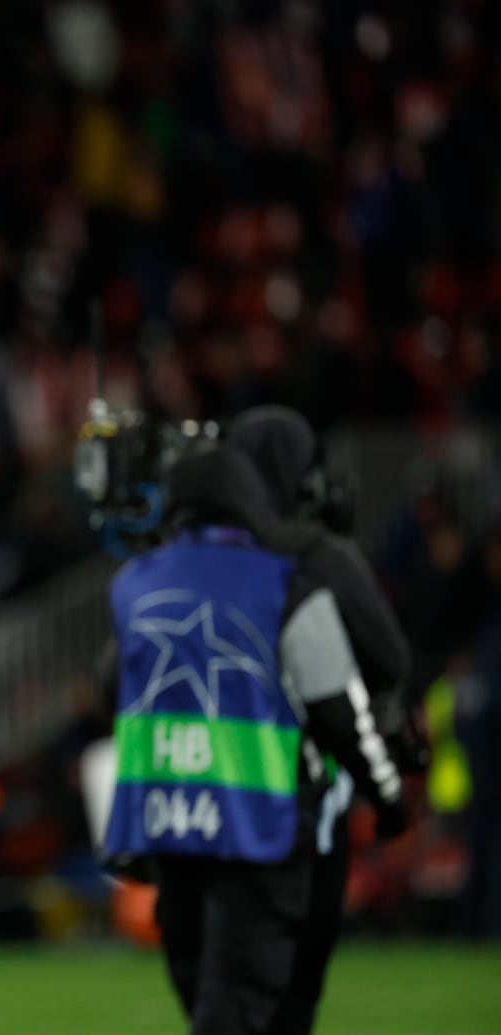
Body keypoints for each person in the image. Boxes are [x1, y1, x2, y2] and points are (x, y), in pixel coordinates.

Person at [102, 447, 407, 1035]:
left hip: (168, 822)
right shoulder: (288, 584)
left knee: (201, 992)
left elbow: (108, 681)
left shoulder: (132, 585)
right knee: (243, 1003)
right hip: (258, 824)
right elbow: (339, 710)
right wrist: (388, 796)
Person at [226, 405, 418, 1032]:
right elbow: (388, 658)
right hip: (297, 805)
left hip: (203, 803)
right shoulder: (319, 557)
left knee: (221, 993)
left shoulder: (198, 558)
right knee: (291, 996)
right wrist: (386, 787)